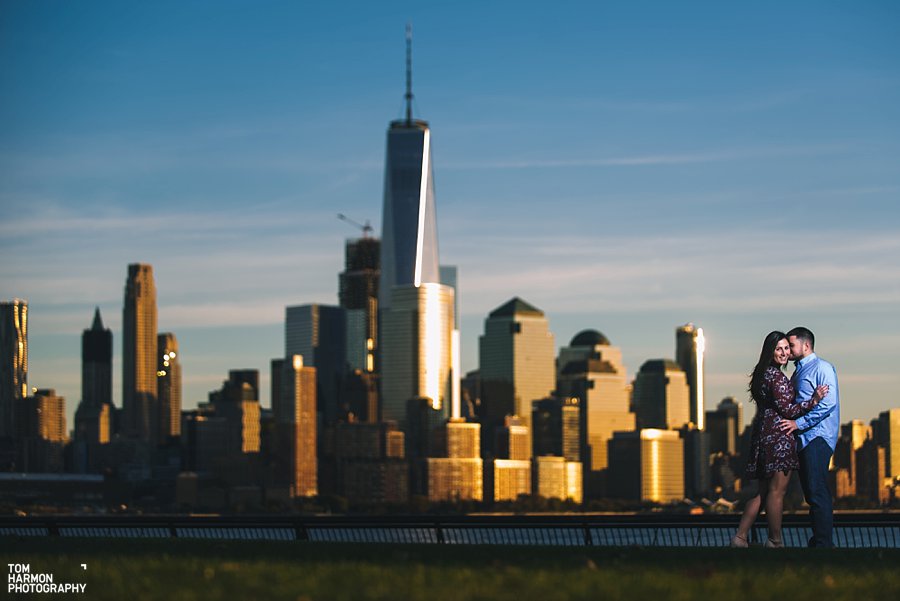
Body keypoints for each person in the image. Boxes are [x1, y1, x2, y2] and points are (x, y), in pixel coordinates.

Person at [731, 331, 828, 548]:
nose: (784, 353)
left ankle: (740, 537)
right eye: (779, 349)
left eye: (786, 348)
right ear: (770, 351)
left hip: (763, 435)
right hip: (779, 438)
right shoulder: (777, 377)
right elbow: (789, 410)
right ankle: (775, 541)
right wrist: (814, 400)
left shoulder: (761, 374)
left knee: (763, 492)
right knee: (777, 492)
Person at [777, 326, 840, 548]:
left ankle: (823, 544)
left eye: (791, 345)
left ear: (806, 345)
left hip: (818, 438)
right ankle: (818, 541)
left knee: (817, 490)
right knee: (811, 493)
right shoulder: (798, 372)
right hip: (803, 440)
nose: (788, 351)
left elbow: (828, 404)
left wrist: (798, 423)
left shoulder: (822, 368)